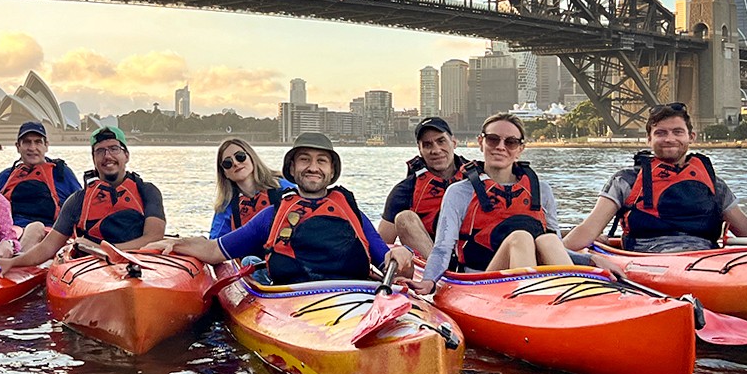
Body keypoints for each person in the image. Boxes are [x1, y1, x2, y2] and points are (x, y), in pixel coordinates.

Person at [153, 132, 414, 284]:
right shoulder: (272, 215)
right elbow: (214, 249)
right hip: (292, 303)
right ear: (293, 169)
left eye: (321, 161)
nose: (313, 167)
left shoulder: (351, 211)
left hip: (353, 296)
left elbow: (384, 258)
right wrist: (173, 244)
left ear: (332, 171)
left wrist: (400, 257)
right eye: (304, 160)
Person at [563, 102, 747, 253]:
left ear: (691, 137)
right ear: (649, 139)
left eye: (677, 132)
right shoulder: (626, 181)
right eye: (660, 133)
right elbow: (588, 230)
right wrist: (556, 252)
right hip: (646, 258)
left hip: (705, 259)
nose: (669, 138)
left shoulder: (714, 184)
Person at [412, 112, 574, 294]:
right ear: (481, 142)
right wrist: (428, 281)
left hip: (537, 278)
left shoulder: (542, 190)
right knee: (519, 238)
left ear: (520, 149)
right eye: (493, 140)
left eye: (510, 142)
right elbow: (442, 248)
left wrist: (592, 261)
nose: (500, 147)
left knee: (549, 240)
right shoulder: (459, 192)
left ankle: (572, 301)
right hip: (484, 284)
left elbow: (558, 246)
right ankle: (529, 302)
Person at [0, 126, 168, 273]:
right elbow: (48, 247)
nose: (107, 156)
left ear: (126, 155)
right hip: (92, 267)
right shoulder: (77, 200)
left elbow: (153, 237)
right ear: (94, 159)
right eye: (100, 151)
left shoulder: (148, 191)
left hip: (139, 262)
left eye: (114, 149)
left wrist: (103, 250)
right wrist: (12, 263)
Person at [377, 116, 469, 258]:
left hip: (475, 260)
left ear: (454, 142)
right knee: (404, 218)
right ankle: (438, 273)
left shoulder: (479, 179)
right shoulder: (405, 190)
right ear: (420, 150)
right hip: (430, 263)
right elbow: (382, 245)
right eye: (427, 145)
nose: (436, 150)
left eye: (441, 141)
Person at [0, 120, 82, 251]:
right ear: (18, 147)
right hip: (12, 233)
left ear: (46, 146)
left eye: (38, 142)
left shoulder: (62, 174)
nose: (32, 148)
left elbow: (81, 206)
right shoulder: (6, 176)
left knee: (36, 227)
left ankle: (17, 262)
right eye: (27, 142)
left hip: (51, 234)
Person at [208, 137, 296, 238]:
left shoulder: (283, 188)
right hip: (244, 252)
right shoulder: (226, 206)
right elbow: (215, 241)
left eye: (240, 156)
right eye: (228, 163)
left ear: (251, 158)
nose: (236, 163)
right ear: (224, 173)